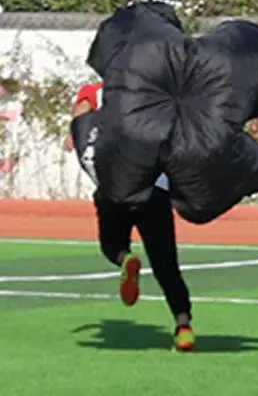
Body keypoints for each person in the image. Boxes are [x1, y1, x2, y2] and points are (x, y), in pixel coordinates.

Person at [65, 80, 197, 353]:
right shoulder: (154, 89)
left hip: (114, 189)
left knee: (110, 244)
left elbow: (81, 119)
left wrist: (76, 133)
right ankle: (183, 326)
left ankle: (126, 259)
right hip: (154, 189)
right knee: (166, 266)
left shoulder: (95, 91)